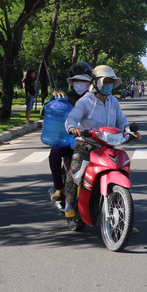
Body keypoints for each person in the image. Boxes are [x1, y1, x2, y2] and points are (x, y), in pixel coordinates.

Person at [64, 65, 142, 218]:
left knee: (122, 167)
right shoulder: (85, 101)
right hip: (86, 145)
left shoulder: (113, 101)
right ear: (96, 82)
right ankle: (69, 203)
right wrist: (73, 128)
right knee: (75, 170)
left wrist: (131, 132)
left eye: (111, 82)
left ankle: (124, 219)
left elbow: (122, 122)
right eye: (105, 81)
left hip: (108, 146)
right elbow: (72, 118)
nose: (108, 85)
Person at [41, 62, 93, 203]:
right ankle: (58, 189)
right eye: (77, 80)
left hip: (92, 141)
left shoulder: (96, 98)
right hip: (69, 141)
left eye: (84, 80)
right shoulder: (65, 96)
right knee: (55, 153)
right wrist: (52, 99)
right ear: (72, 81)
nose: (81, 83)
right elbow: (44, 110)